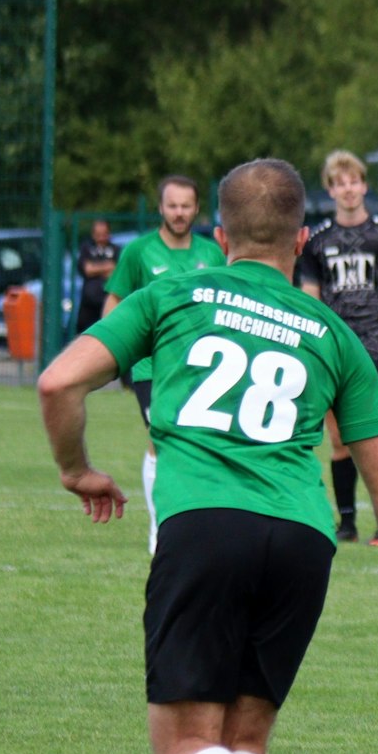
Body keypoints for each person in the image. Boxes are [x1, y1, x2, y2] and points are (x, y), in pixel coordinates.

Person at [38, 157, 378, 754]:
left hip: (205, 525)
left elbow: (59, 383)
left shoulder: (176, 294)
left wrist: (76, 468)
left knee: (181, 747)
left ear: (219, 235)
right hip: (301, 539)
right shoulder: (333, 334)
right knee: (242, 742)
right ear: (301, 241)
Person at [104, 175, 226, 553]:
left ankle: (194, 523)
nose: (179, 212)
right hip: (151, 368)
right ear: (160, 207)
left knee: (201, 444)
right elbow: (114, 305)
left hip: (204, 369)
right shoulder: (139, 252)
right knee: (162, 441)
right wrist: (113, 356)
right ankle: (160, 531)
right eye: (172, 205)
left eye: (186, 206)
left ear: (197, 209)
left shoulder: (213, 254)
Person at [297, 150, 378, 546]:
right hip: (333, 347)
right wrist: (311, 344)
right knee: (338, 438)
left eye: (354, 181)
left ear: (364, 185)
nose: (348, 189)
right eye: (339, 183)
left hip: (374, 344)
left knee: (373, 436)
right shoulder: (317, 240)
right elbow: (309, 294)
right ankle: (346, 522)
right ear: (329, 190)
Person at [74, 220, 118, 334]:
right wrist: (107, 266)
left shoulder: (115, 250)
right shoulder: (87, 248)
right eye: (98, 234)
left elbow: (116, 271)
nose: (101, 238)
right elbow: (87, 269)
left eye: (104, 234)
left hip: (108, 302)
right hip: (88, 306)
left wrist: (96, 268)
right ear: (93, 235)